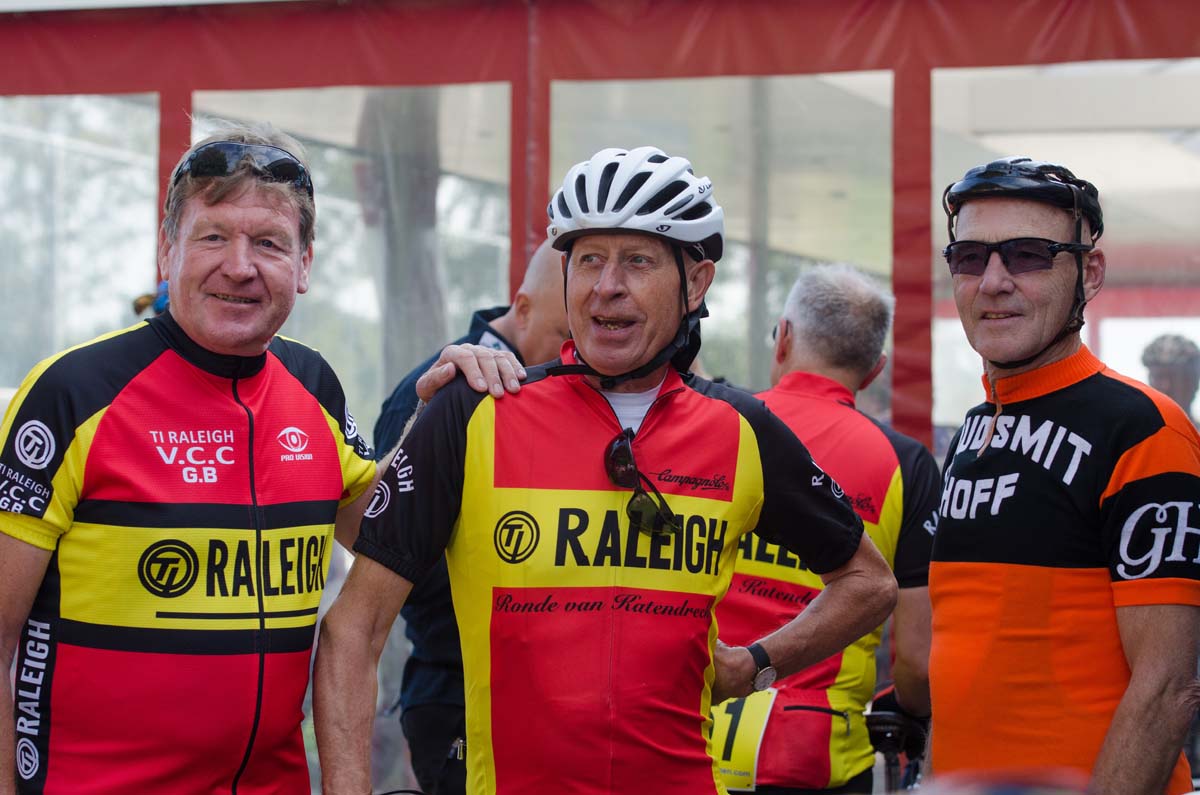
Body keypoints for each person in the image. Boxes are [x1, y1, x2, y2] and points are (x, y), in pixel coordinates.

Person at [314, 145, 898, 794]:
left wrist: (754, 664)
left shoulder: (742, 429)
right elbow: (354, 627)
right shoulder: (475, 409)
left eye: (638, 260)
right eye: (589, 259)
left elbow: (869, 582)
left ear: (696, 283)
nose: (606, 286)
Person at [0, 121, 521, 795]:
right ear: (167, 250)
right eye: (213, 236)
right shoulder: (73, 393)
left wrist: (436, 410)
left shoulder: (313, 384)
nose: (240, 266)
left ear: (304, 265)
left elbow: (378, 529)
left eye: (269, 243)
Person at [932, 156, 1200, 794]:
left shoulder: (1145, 429)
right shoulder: (974, 428)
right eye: (970, 257)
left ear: (1090, 273)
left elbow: (1167, 686)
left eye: (1028, 255)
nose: (993, 282)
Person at [712, 263, 938, 794]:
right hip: (818, 755)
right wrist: (910, 709)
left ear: (783, 338)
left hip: (687, 730)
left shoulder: (714, 423)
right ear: (876, 369)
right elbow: (917, 663)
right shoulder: (906, 463)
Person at [372, 239, 568, 795]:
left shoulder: (553, 390)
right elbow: (389, 547)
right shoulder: (446, 389)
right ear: (522, 308)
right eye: (563, 338)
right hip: (458, 691)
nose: (573, 356)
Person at [1142, 333, 1200, 427]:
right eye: (1158, 377)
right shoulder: (1130, 432)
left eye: (1174, 378)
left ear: (1194, 382)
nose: (1166, 387)